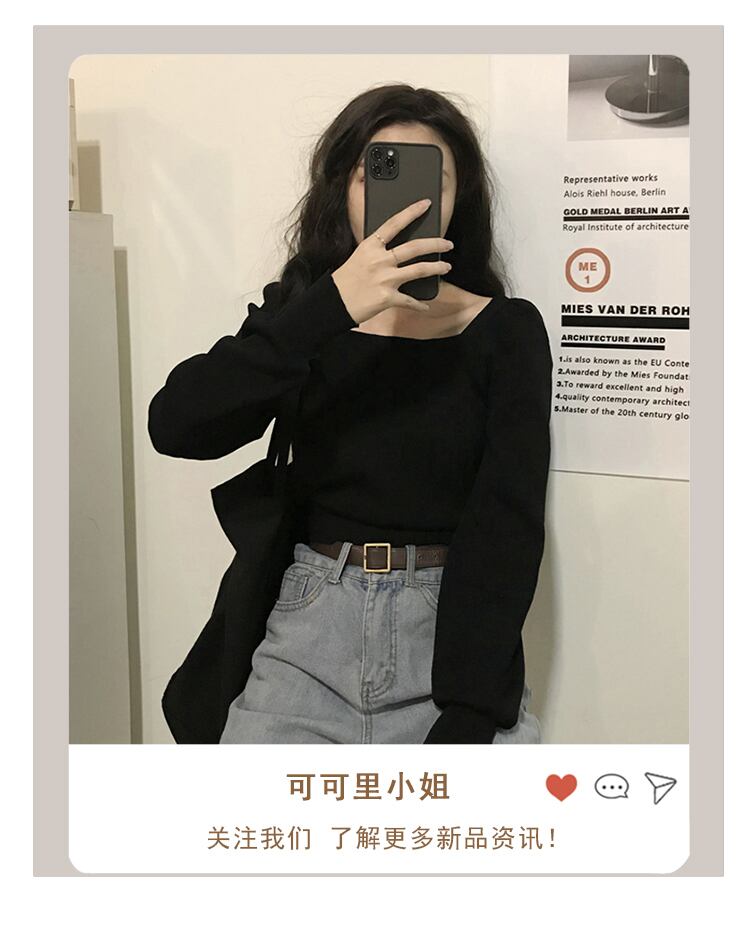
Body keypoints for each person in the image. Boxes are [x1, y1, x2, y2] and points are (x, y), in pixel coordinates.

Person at [148, 83, 552, 744]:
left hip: (447, 636)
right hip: (308, 630)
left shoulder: (503, 331)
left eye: (433, 181)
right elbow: (176, 424)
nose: (407, 202)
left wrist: (473, 708)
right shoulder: (305, 312)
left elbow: (508, 518)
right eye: (378, 174)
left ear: (459, 200)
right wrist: (330, 306)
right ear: (345, 189)